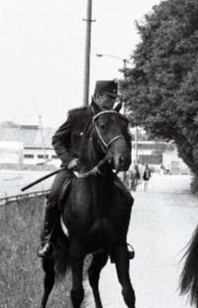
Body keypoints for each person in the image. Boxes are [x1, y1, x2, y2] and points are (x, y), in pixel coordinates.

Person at [37, 80, 135, 258]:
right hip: (73, 169)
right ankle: (49, 240)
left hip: (101, 171)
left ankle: (121, 243)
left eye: (114, 98)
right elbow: (57, 140)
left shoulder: (113, 118)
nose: (112, 102)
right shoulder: (77, 115)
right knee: (54, 196)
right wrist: (69, 160)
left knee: (126, 197)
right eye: (109, 97)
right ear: (97, 96)